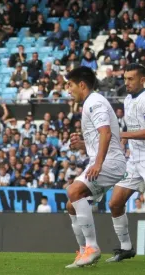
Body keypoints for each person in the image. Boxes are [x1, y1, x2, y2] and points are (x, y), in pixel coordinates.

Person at [64, 67, 126, 268]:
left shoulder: (94, 102)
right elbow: (101, 136)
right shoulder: (90, 103)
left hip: (110, 162)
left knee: (73, 190)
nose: (68, 90)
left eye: (70, 85)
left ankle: (92, 247)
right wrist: (83, 144)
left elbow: (106, 133)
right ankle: (83, 252)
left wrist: (98, 163)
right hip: (103, 160)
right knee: (71, 204)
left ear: (81, 85)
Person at [106, 64, 145, 262]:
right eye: (125, 78)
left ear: (142, 80)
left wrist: (123, 134)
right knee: (115, 203)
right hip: (134, 160)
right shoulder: (128, 99)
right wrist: (123, 141)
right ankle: (126, 248)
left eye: (131, 79)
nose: (126, 83)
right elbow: (132, 127)